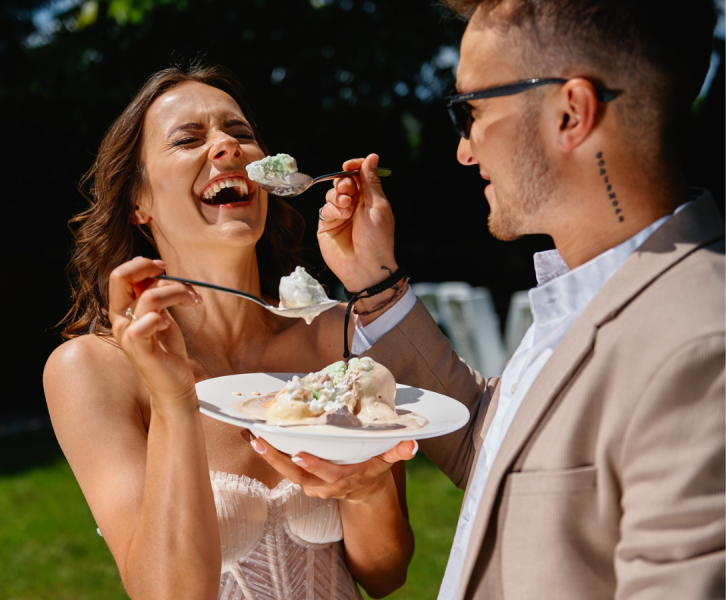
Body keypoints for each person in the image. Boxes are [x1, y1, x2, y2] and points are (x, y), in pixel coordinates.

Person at [262, 0, 725, 598]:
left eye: (470, 111)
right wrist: (376, 284)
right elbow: (497, 447)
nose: (464, 150)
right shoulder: (597, 290)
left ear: (571, 114)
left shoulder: (699, 351)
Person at [43, 63, 416, 600]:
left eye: (239, 132)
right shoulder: (92, 370)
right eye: (188, 139)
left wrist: (367, 491)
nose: (227, 146)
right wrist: (174, 401)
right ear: (138, 201)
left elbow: (385, 575)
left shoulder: (337, 335)